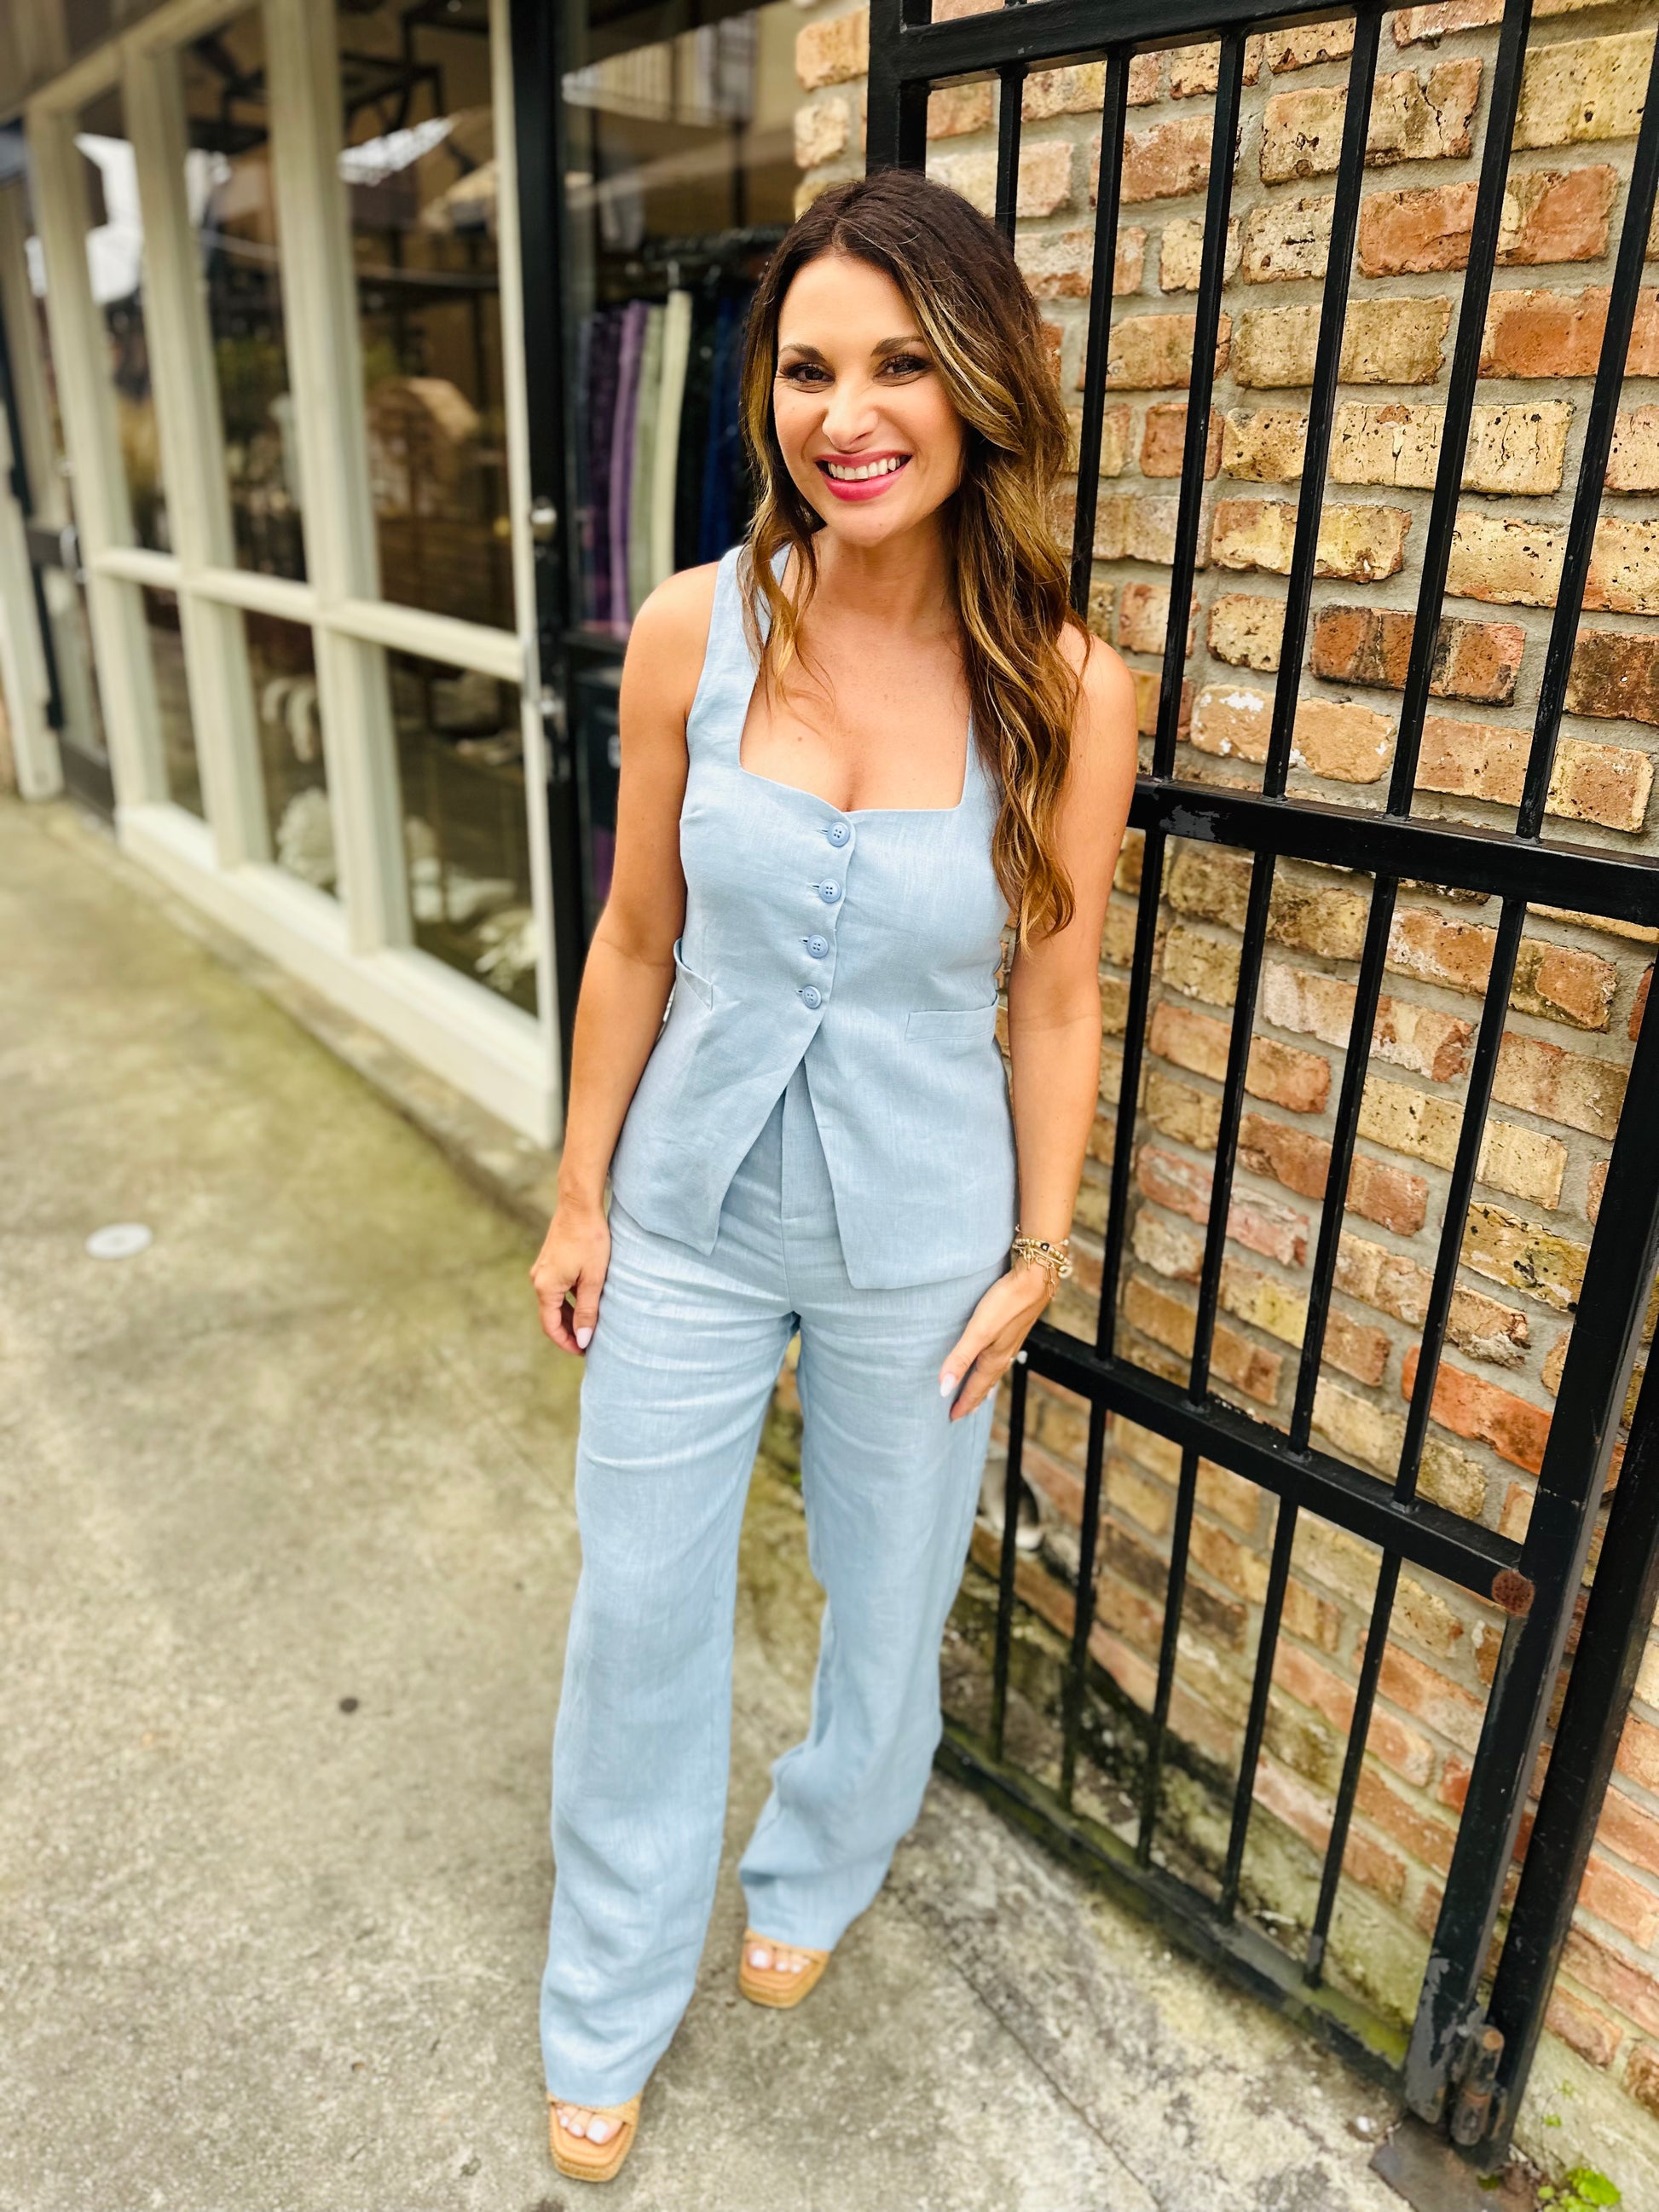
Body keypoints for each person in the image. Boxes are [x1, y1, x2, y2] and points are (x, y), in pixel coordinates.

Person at [528, 166, 1138, 2185]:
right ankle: (607, 1989)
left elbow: (1057, 994)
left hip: (923, 1238)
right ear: (764, 392)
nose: (845, 413)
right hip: (687, 1214)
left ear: (979, 385)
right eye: (805, 369)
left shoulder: (1066, 682)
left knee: (886, 1596)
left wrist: (1038, 1243)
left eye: (897, 363)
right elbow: (635, 936)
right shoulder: (692, 628)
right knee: (639, 1604)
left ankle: (824, 1853)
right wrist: (579, 1190)